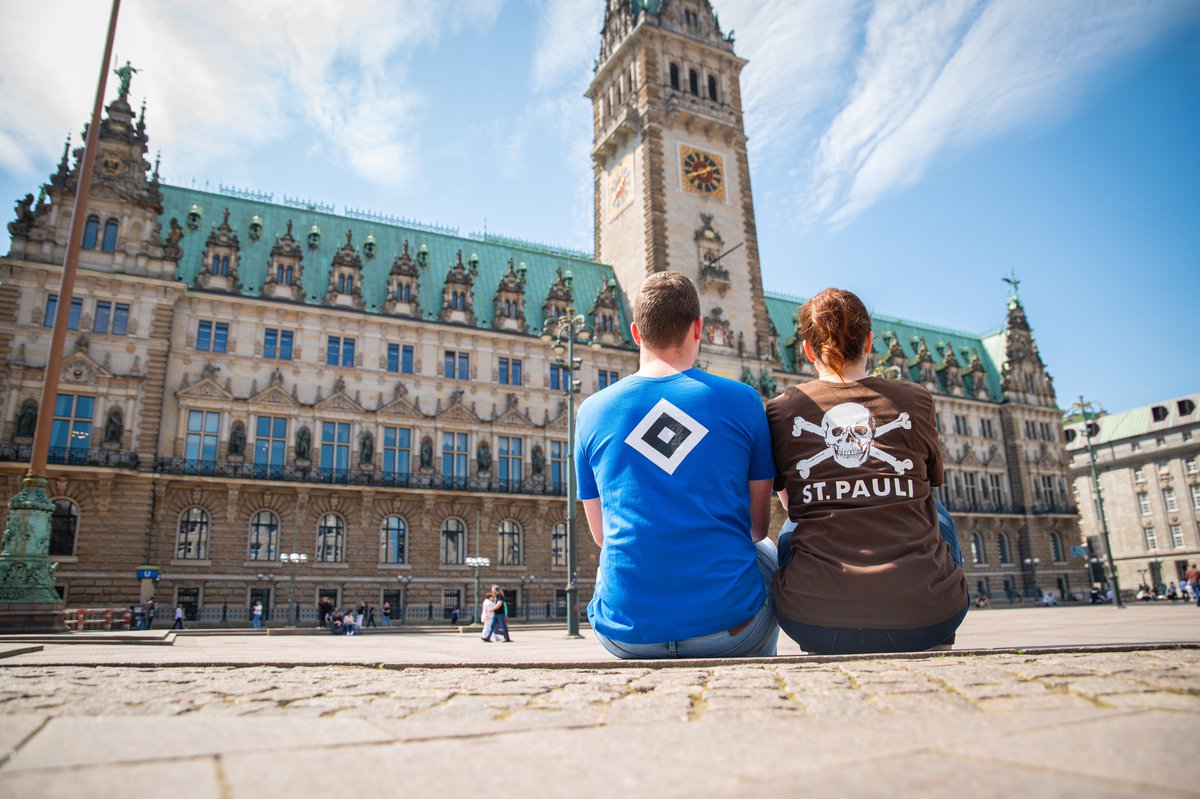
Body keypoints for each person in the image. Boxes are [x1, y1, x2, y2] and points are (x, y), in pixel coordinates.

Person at [575, 271, 779, 659]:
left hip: (628, 636)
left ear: (636, 333)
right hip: (731, 632)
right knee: (768, 550)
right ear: (699, 328)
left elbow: (602, 535)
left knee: (610, 554)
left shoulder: (590, 411)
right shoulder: (744, 400)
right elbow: (755, 528)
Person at [766, 288, 968, 656]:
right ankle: (934, 619)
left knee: (793, 526)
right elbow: (927, 486)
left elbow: (792, 505)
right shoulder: (917, 399)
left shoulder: (779, 410)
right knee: (939, 515)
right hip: (928, 619)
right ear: (870, 342)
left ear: (808, 351)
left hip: (813, 625)